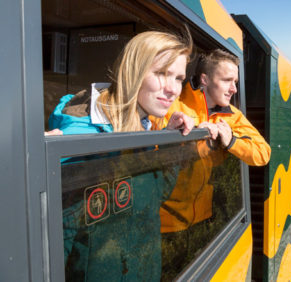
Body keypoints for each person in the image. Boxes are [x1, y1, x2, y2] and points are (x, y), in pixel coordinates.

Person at [48, 30, 201, 281]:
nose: (173, 89)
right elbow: (58, 238)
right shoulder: (84, 141)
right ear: (134, 71)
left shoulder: (141, 128)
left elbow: (153, 197)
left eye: (179, 78)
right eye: (162, 73)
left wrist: (170, 144)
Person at [152, 49, 271, 279]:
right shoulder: (172, 106)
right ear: (205, 79)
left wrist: (231, 141)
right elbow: (149, 157)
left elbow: (263, 153)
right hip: (163, 226)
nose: (234, 89)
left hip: (203, 223)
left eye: (235, 82)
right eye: (227, 80)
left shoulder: (230, 116)